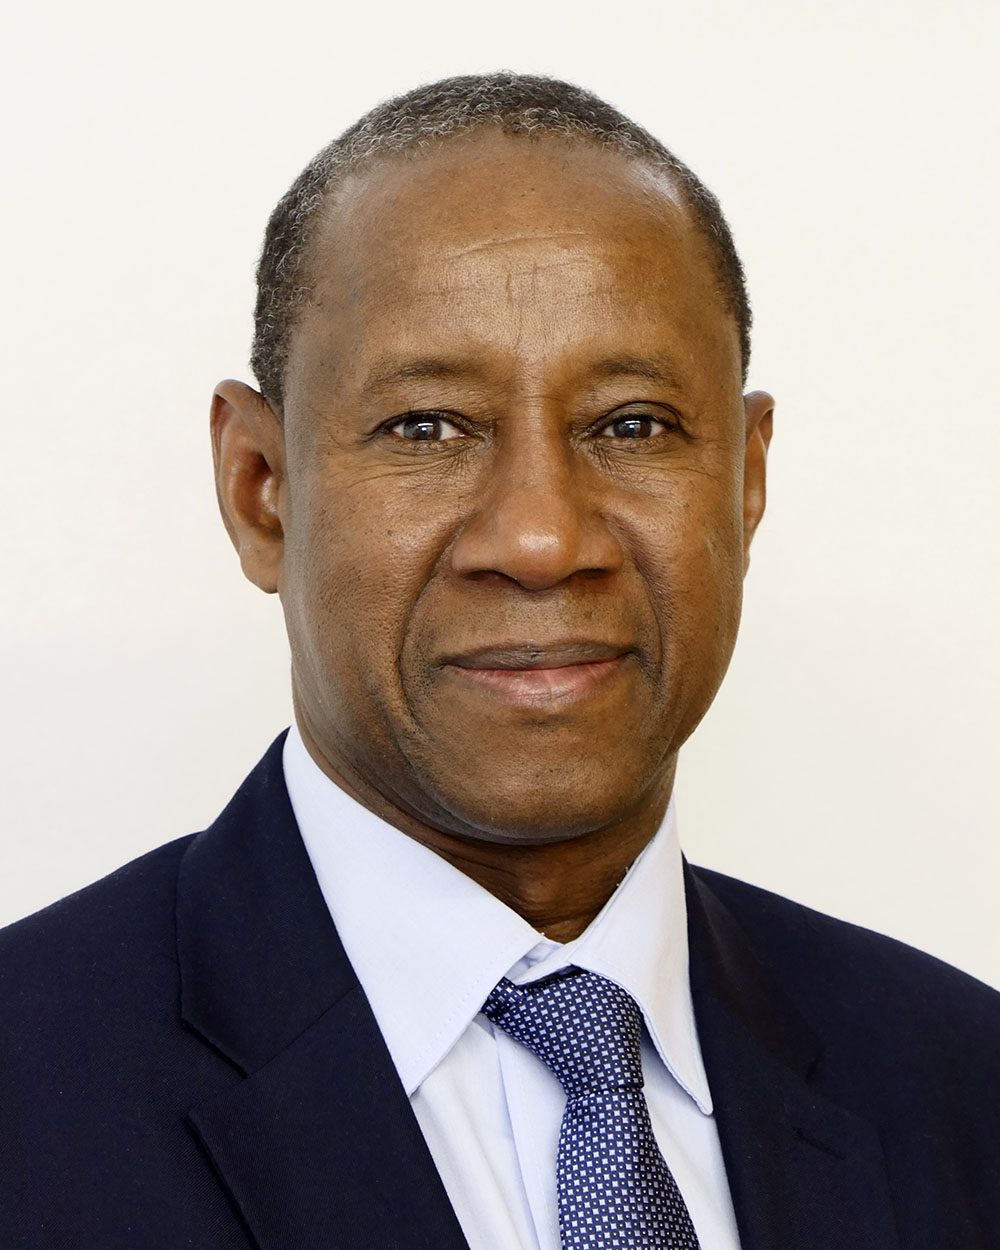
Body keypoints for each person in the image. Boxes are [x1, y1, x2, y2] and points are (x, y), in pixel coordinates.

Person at [1, 72, 998, 1250]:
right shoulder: (30, 1088)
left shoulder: (961, 1085)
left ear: (744, 478)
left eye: (631, 424)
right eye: (426, 427)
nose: (540, 539)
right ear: (260, 490)